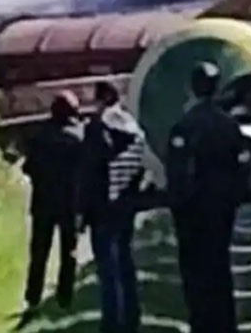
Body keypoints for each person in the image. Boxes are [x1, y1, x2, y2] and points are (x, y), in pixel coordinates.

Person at [166, 62, 251, 333]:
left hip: (193, 210)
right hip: (222, 207)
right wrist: (235, 196)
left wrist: (178, 204)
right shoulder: (229, 126)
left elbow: (177, 172)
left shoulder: (184, 126)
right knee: (219, 263)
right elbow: (243, 163)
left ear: (192, 87)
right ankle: (225, 322)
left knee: (195, 269)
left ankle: (202, 323)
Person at [80, 81, 161, 333]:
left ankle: (113, 323)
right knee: (125, 262)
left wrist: (83, 209)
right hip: (127, 202)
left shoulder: (99, 125)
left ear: (101, 100)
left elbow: (92, 170)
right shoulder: (131, 124)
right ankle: (131, 316)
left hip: (104, 204)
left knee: (108, 268)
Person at [19, 92, 84, 320]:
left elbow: (27, 168)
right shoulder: (78, 138)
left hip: (43, 203)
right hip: (69, 204)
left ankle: (33, 298)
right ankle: (65, 297)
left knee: (39, 253)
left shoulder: (39, 136)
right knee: (69, 253)